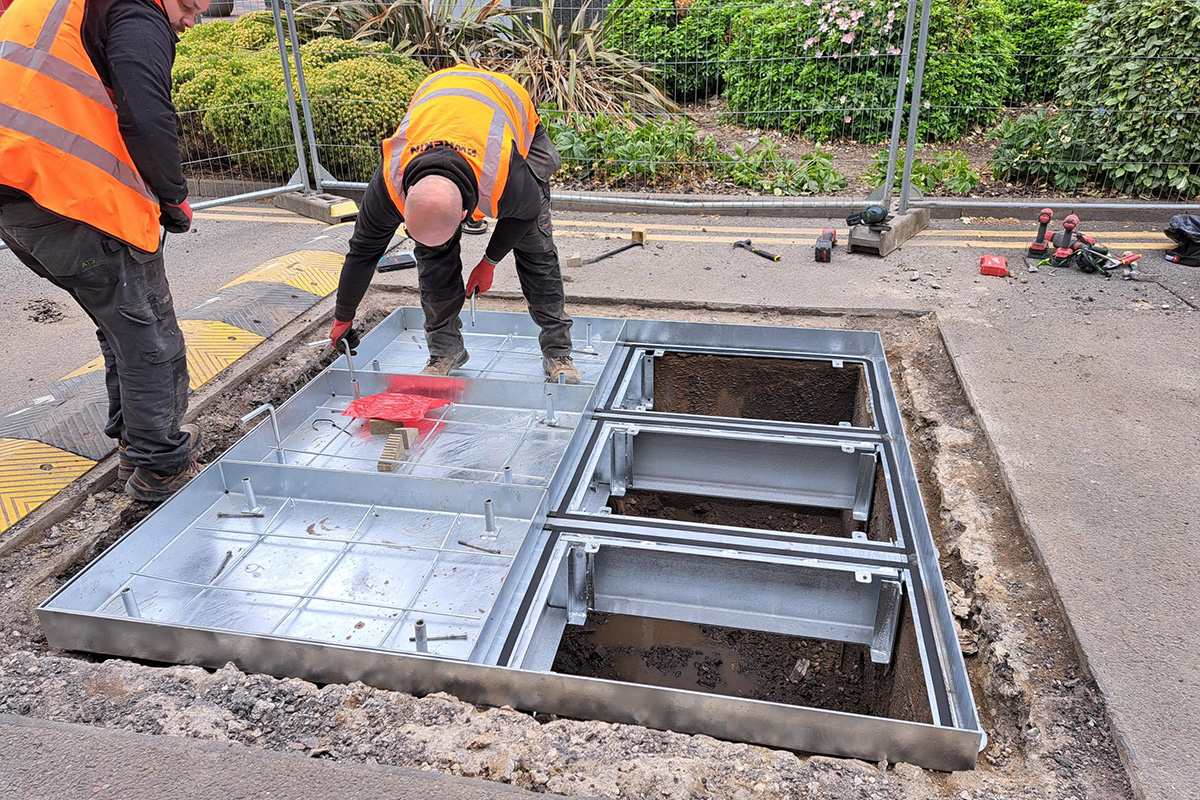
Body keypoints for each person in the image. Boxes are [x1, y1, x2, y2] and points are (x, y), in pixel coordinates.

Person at [0, 0, 211, 502]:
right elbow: (145, 111)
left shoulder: (63, 6)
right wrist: (172, 195)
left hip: (20, 195)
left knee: (120, 323)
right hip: (73, 197)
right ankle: (160, 466)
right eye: (188, 7)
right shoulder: (135, 10)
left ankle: (137, 445)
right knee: (152, 335)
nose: (190, 21)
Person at [330, 65, 580, 384]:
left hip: (506, 105)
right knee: (434, 258)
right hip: (441, 97)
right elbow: (362, 253)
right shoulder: (388, 184)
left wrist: (488, 262)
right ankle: (445, 349)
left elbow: (526, 213)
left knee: (536, 248)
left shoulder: (505, 174)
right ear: (405, 206)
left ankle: (558, 351)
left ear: (466, 217)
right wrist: (342, 317)